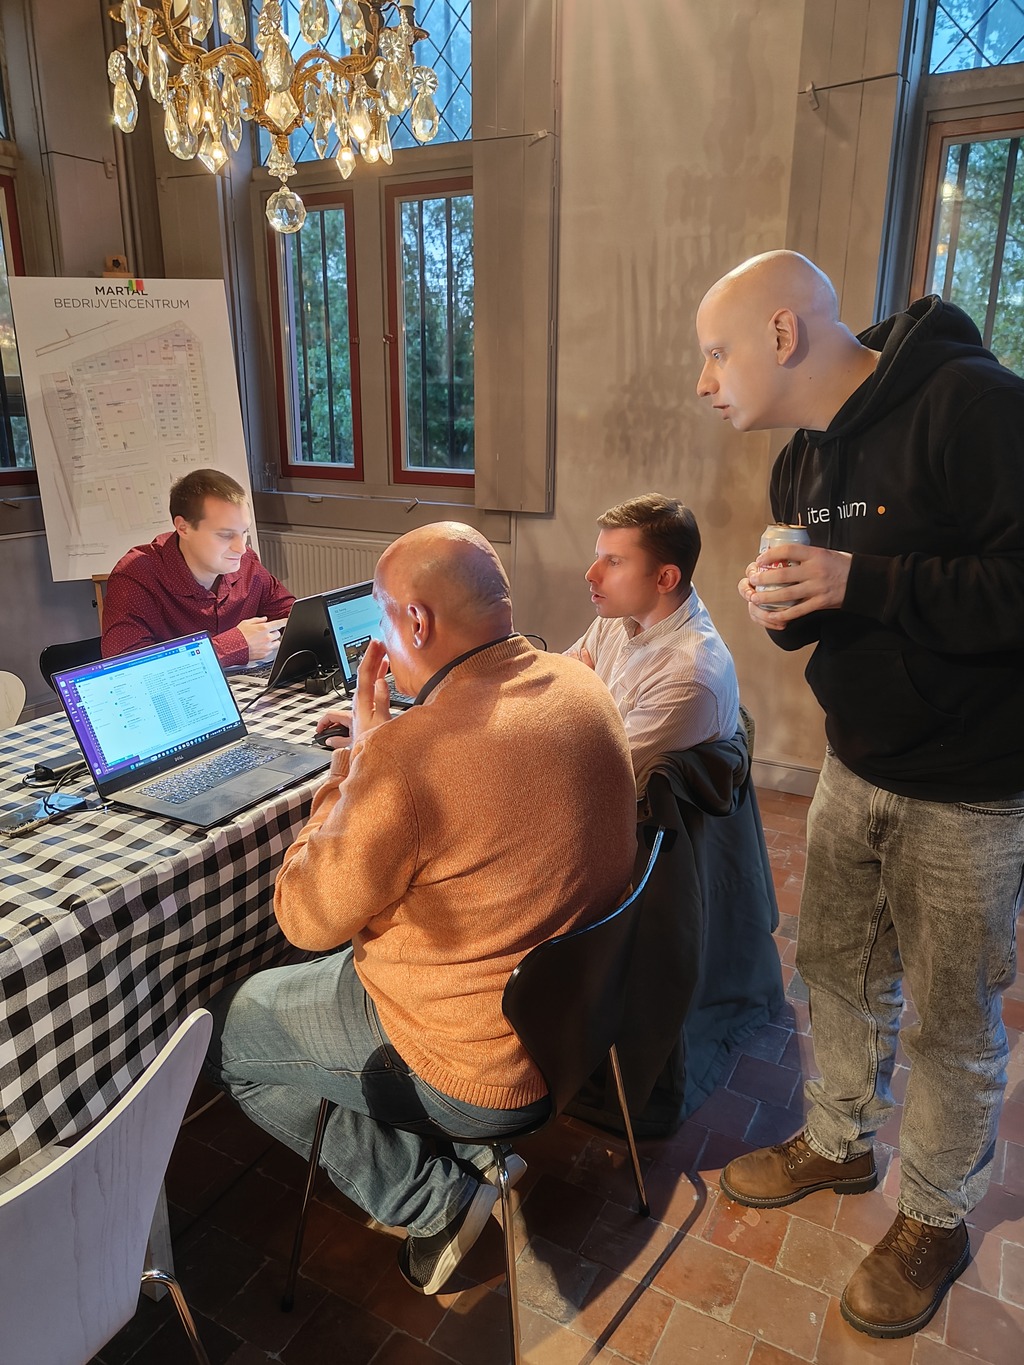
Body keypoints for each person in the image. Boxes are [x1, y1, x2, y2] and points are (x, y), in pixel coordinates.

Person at [695, 249, 1024, 1339]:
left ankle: (932, 1215)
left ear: (783, 333)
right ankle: (837, 1141)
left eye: (715, 352)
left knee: (952, 1021)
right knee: (832, 970)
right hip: (855, 762)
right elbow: (833, 613)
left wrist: (855, 579)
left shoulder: (972, 405)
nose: (705, 380)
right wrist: (785, 606)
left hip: (974, 788)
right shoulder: (799, 464)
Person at [205, 522, 637, 1295]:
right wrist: (392, 746)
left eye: (380, 621)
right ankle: (460, 1157)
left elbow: (303, 917)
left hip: (473, 1067)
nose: (380, 644)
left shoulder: (408, 761)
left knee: (237, 1026)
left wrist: (363, 755)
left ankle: (433, 1197)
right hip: (577, 1022)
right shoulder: (583, 685)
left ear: (417, 622)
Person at [566, 493, 739, 793]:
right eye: (598, 557)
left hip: (629, 826)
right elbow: (555, 686)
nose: (591, 574)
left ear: (665, 579)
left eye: (614, 562)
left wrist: (583, 696)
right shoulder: (617, 617)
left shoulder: (689, 677)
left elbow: (593, 774)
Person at [101, 468, 294, 667]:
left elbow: (294, 616)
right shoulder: (136, 577)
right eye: (225, 535)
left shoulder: (247, 565)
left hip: (244, 688)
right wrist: (234, 646)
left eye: (244, 532)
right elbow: (126, 669)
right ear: (183, 528)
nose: (241, 549)